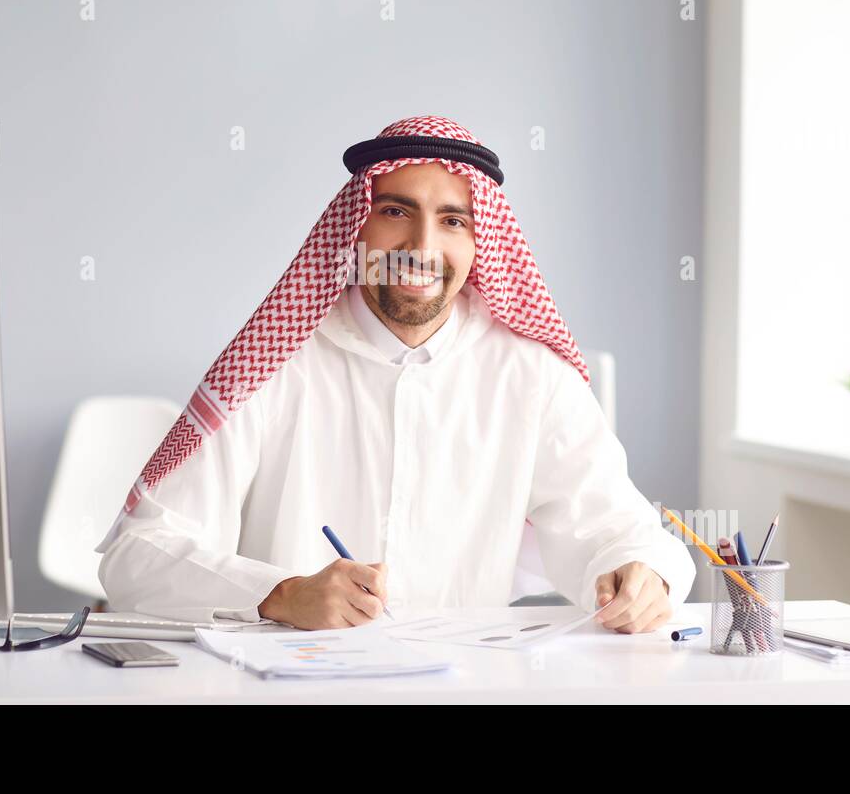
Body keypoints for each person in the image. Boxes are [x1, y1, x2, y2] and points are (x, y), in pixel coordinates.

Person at [97, 115, 694, 632]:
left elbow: (616, 528)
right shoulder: (277, 361)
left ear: (480, 241)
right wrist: (278, 595)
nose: (422, 244)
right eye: (394, 211)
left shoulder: (529, 371)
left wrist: (645, 576)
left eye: (453, 221)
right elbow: (136, 556)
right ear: (357, 226)